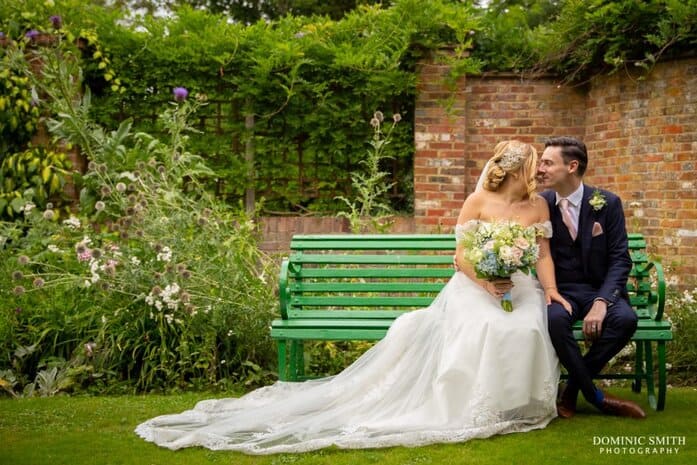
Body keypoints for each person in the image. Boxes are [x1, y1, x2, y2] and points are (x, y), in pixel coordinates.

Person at [135, 140, 568, 454]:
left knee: (530, 322)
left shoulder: (538, 207)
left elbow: (543, 253)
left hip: (519, 284)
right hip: (475, 285)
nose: (539, 173)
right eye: (534, 166)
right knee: (487, 323)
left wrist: (548, 290)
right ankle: (475, 405)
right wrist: (486, 282)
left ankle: (519, 404)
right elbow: (459, 256)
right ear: (516, 170)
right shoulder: (478, 201)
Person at [536, 136, 646, 419]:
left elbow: (621, 259)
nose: (540, 168)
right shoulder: (540, 203)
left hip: (599, 288)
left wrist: (601, 302)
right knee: (555, 321)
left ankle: (572, 389)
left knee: (625, 320)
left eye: (548, 162)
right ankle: (595, 395)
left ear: (572, 166)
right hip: (561, 291)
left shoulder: (607, 203)